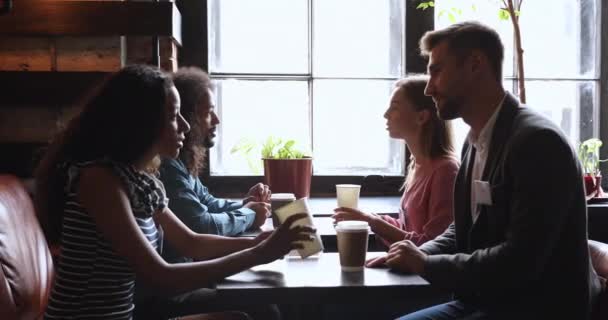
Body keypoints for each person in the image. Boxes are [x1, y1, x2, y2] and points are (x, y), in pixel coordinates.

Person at [34, 64, 313, 320]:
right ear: (142, 122)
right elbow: (161, 277)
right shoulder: (99, 181)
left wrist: (260, 243)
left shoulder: (142, 180)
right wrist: (259, 254)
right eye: (173, 115)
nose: (185, 125)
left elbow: (191, 242)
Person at [367, 21, 602, 319]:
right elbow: (463, 228)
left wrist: (425, 264)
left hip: (537, 308)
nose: (429, 87)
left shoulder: (537, 142)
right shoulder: (476, 139)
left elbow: (520, 259)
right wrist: (417, 252)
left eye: (436, 71)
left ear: (475, 64)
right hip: (489, 301)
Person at [332, 75, 458, 247]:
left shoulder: (446, 171)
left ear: (421, 117)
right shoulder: (418, 164)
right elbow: (407, 230)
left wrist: (373, 222)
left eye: (395, 107)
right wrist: (368, 218)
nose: (386, 114)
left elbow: (434, 246)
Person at [159, 67, 269, 252]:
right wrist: (249, 213)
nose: (216, 120)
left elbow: (206, 202)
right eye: (209, 112)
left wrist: (245, 203)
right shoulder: (167, 166)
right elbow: (201, 225)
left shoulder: (181, 160)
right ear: (189, 117)